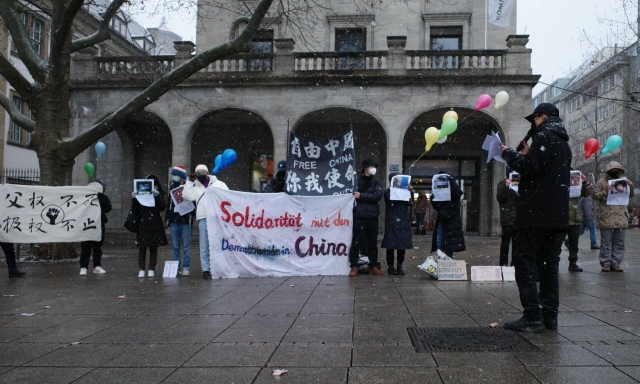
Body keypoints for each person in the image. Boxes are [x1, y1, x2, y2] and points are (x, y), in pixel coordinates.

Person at [499, 102, 571, 333]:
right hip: (557, 216)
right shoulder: (562, 142)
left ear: (542, 117)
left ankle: (532, 315)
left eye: (535, 119)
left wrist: (510, 154)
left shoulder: (544, 137)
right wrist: (529, 155)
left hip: (535, 215)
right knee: (549, 267)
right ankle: (550, 316)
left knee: (525, 263)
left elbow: (530, 169)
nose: (533, 124)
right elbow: (544, 169)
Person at [182, 164, 229, 279]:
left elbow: (227, 195)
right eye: (198, 172)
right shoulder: (195, 186)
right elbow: (186, 195)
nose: (200, 174)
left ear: (207, 173)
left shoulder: (218, 184)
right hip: (203, 216)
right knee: (204, 244)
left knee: (217, 243)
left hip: (216, 216)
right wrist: (189, 181)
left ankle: (218, 267)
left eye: (203, 172)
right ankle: (205, 269)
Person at [591, 161, 635, 272]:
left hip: (621, 216)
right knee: (606, 242)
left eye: (617, 170)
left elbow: (631, 195)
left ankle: (616, 263)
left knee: (619, 242)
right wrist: (605, 191)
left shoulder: (623, 181)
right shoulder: (601, 182)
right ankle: (606, 263)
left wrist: (631, 186)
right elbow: (595, 195)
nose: (615, 172)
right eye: (613, 170)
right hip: (606, 216)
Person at [348, 159, 384, 277]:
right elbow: (352, 194)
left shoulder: (376, 182)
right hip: (359, 216)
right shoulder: (356, 182)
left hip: (372, 217)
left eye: (375, 166)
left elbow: (377, 196)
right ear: (365, 168)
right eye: (371, 166)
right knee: (356, 242)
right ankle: (353, 266)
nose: (374, 168)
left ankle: (373, 265)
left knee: (372, 243)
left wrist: (362, 195)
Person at [132, 175, 167, 278]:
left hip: (154, 223)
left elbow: (161, 207)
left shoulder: (157, 194)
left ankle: (151, 269)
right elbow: (135, 211)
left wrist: (157, 196)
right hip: (143, 223)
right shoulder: (140, 195)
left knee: (153, 247)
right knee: (142, 247)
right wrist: (134, 198)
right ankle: (141, 269)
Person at [555, 171, 589, 272]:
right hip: (561, 216)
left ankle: (573, 262)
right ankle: (555, 262)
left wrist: (583, 182)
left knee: (574, 242)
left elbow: (586, 193)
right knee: (557, 242)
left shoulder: (576, 178)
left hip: (574, 216)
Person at [381, 173, 413, 275]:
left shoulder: (406, 191)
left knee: (401, 245)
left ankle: (399, 266)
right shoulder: (388, 192)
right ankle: (390, 266)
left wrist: (410, 191)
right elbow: (388, 199)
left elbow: (410, 202)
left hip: (403, 220)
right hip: (392, 220)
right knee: (390, 245)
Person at [79, 179, 112, 276]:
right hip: (87, 224)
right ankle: (83, 267)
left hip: (99, 224)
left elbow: (108, 208)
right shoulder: (85, 197)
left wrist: (100, 197)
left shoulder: (103, 197)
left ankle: (97, 266)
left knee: (98, 247)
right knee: (86, 247)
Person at [430, 172, 465, 258]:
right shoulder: (441, 193)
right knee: (440, 241)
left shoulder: (453, 191)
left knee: (449, 243)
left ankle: (447, 262)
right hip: (442, 218)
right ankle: (439, 261)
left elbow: (458, 193)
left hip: (451, 219)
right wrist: (433, 199)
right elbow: (437, 206)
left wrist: (451, 181)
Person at [166, 165, 193, 276]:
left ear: (181, 176)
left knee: (186, 246)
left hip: (185, 220)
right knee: (175, 246)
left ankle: (186, 267)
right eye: (173, 175)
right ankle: (176, 267)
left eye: (176, 175)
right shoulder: (172, 188)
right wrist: (167, 219)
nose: (174, 177)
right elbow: (169, 205)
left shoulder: (188, 188)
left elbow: (192, 203)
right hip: (174, 220)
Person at [496, 169, 517, 267]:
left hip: (518, 218)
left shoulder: (521, 182)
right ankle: (503, 264)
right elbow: (500, 198)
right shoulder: (502, 183)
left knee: (517, 244)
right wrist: (506, 187)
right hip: (507, 218)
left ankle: (515, 263)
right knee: (505, 243)